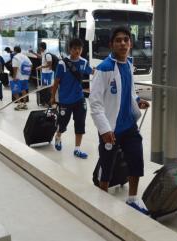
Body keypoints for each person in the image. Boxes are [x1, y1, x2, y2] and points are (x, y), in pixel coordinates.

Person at [89, 26, 150, 214]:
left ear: (130, 44)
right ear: (111, 44)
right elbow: (95, 102)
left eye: (126, 39)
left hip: (129, 125)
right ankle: (102, 197)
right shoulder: (105, 68)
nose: (123, 43)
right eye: (118, 40)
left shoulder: (128, 65)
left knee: (136, 160)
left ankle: (132, 199)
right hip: (111, 128)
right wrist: (105, 130)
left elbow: (129, 91)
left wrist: (137, 101)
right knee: (107, 165)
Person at [50, 38, 92, 159]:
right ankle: (58, 136)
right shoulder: (62, 64)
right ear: (70, 49)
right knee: (62, 124)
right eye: (75, 49)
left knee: (80, 124)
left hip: (79, 99)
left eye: (79, 48)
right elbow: (56, 82)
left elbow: (93, 71)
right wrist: (53, 97)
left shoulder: (83, 62)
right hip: (65, 100)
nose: (77, 51)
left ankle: (77, 149)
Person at [12, 46, 32, 111]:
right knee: (24, 90)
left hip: (18, 77)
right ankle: (24, 104)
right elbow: (31, 65)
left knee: (15, 91)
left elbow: (15, 68)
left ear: (15, 51)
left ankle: (19, 104)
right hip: (25, 76)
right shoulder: (25, 56)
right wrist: (28, 74)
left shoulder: (15, 57)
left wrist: (14, 77)